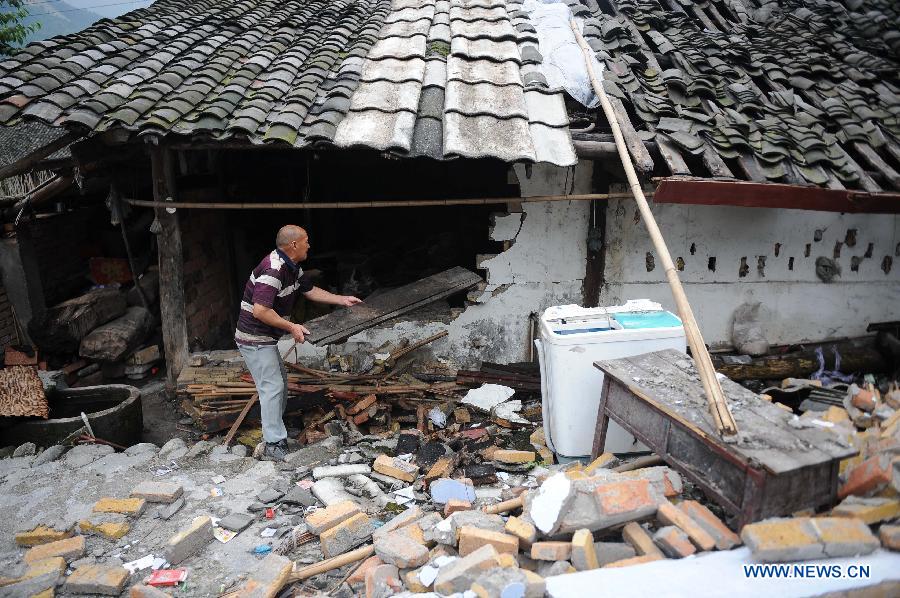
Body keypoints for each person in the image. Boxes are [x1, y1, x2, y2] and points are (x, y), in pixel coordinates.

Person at [235, 225, 361, 461]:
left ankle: (277, 432)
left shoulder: (291, 267)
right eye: (306, 241)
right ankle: (273, 443)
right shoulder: (273, 271)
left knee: (279, 383)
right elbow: (261, 311)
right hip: (254, 338)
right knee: (272, 387)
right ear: (294, 245)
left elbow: (310, 290)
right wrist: (292, 327)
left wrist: (341, 299)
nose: (309, 245)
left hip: (265, 337)